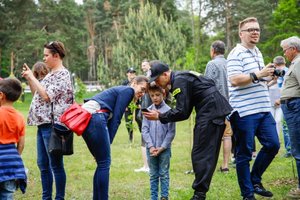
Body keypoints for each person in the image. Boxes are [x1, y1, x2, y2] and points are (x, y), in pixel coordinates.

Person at [143, 60, 232, 200]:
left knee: (201, 152)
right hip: (212, 109)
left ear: (165, 74)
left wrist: (160, 116)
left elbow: (182, 112)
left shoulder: (179, 82)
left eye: (157, 79)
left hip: (211, 111)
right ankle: (200, 193)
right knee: (204, 152)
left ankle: (199, 195)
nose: (157, 83)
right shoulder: (181, 77)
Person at [226, 17, 280, 200]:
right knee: (244, 154)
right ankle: (247, 194)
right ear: (241, 34)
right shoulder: (236, 53)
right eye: (250, 30)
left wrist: (268, 77)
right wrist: (259, 74)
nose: (255, 32)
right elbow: (234, 80)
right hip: (244, 112)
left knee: (273, 144)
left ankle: (255, 179)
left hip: (264, 109)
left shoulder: (257, 52)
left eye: (257, 29)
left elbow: (256, 79)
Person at [81, 75, 148, 200]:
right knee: (104, 163)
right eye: (142, 89)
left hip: (87, 119)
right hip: (95, 118)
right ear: (134, 83)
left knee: (101, 162)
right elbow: (117, 118)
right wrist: (108, 141)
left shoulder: (121, 90)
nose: (142, 93)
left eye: (145, 91)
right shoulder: (128, 91)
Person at [22, 41, 74, 200]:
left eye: (46, 55)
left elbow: (46, 96)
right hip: (42, 125)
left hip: (53, 126)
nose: (44, 58)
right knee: (43, 165)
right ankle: (46, 198)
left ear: (56, 56)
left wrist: (32, 77)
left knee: (55, 165)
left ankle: (59, 198)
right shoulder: (51, 74)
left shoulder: (62, 75)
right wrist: (31, 79)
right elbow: (38, 93)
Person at [142, 85, 176, 200]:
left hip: (164, 149)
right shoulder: (147, 111)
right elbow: (144, 130)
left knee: (164, 174)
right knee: (153, 174)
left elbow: (171, 132)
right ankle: (153, 197)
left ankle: (164, 197)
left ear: (163, 94)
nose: (155, 98)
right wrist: (151, 146)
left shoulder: (169, 112)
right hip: (150, 149)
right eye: (152, 95)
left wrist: (162, 147)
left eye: (157, 95)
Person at [204, 40, 232, 173]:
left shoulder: (212, 64)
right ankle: (225, 165)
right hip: (230, 104)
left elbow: (207, 84)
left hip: (215, 104)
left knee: (213, 136)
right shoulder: (229, 63)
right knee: (227, 135)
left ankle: (210, 164)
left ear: (213, 50)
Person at [279, 36, 300, 199]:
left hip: (296, 107)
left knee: (298, 147)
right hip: (291, 106)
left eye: (285, 49)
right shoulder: (294, 63)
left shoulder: (298, 63)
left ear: (293, 49)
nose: (284, 53)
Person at [0, 78, 27, 199]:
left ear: (1, 95)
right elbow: (21, 144)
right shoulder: (20, 117)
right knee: (7, 195)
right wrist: (15, 156)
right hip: (11, 164)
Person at [268, 56, 291, 157]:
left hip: (285, 100)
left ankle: (289, 150)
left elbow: (287, 87)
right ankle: (288, 148)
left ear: (275, 64)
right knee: (282, 124)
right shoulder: (282, 71)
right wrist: (267, 84)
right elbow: (277, 81)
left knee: (285, 126)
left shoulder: (285, 72)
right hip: (283, 100)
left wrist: (280, 99)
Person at [135, 59, 151, 173]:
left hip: (148, 113)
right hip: (145, 112)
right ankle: (146, 166)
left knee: (145, 140)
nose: (143, 67)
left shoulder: (148, 79)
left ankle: (147, 166)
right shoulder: (147, 78)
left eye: (144, 65)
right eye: (142, 65)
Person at [122, 67, 142, 143]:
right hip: (127, 106)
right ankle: (131, 137)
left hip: (136, 105)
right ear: (127, 74)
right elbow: (122, 95)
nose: (132, 74)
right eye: (130, 73)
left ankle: (143, 133)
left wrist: (139, 103)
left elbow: (140, 93)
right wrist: (124, 105)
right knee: (128, 122)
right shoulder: (124, 83)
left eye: (133, 73)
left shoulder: (137, 82)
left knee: (138, 118)